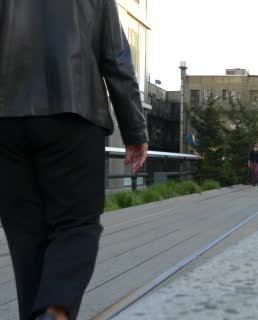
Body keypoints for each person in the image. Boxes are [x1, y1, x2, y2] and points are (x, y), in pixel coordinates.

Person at [0, 1, 149, 320]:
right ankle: (55, 311)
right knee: (76, 228)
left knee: (25, 237)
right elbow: (116, 56)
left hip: (7, 118)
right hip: (75, 112)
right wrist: (135, 129)